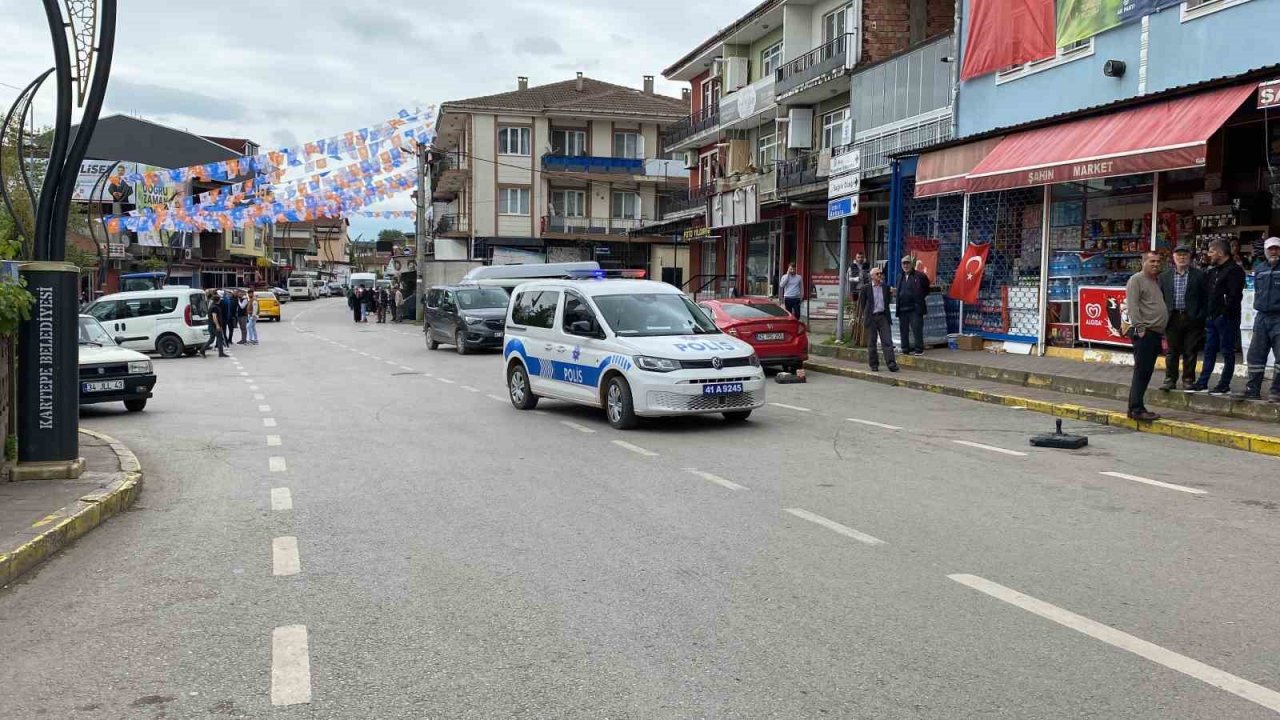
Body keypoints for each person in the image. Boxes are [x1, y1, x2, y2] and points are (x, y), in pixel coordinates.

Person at [1190, 238, 1246, 394]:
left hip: (1227, 318)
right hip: (1211, 317)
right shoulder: (1212, 271)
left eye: (1211, 251)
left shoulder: (1234, 270)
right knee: (1209, 350)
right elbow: (1207, 293)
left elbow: (1234, 296)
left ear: (1220, 253)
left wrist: (1224, 313)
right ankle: (1202, 382)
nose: (1209, 255)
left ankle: (1224, 384)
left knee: (1227, 351)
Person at [1125, 252, 1168, 422]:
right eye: (1152, 261)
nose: (1156, 264)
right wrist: (1140, 327)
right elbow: (1132, 306)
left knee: (1146, 371)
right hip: (1145, 333)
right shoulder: (1136, 280)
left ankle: (1134, 407)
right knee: (1142, 372)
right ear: (1143, 262)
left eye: (1158, 261)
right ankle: (1136, 409)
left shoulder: (1156, 281)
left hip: (1155, 333)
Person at [1157, 245, 1208, 391]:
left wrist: (1200, 316)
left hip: (1192, 318)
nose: (1182, 257)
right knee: (1172, 351)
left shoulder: (1199, 275)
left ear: (1190, 257)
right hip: (1172, 317)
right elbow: (1160, 297)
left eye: (1185, 255)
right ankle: (1170, 379)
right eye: (1179, 255)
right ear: (1173, 257)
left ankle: (1188, 379)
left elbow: (1205, 298)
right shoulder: (1164, 276)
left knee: (1190, 351)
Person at [1239, 237, 1280, 401]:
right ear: (1265, 251)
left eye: (1277, 248)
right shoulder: (1259, 269)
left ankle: (1276, 391)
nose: (1274, 251)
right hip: (1262, 317)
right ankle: (1252, 389)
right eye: (1271, 249)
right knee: (1255, 356)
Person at [858, 266, 898, 373]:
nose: (880, 275)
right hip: (871, 317)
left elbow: (887, 300)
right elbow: (863, 303)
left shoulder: (885, 287)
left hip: (883, 316)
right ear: (872, 276)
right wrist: (866, 315)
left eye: (880, 273)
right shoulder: (866, 288)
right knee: (872, 342)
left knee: (887, 341)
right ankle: (874, 364)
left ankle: (891, 364)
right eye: (877, 274)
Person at [896, 256, 930, 356]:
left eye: (907, 263)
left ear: (911, 264)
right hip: (902, 308)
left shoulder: (920, 276)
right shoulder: (899, 277)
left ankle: (919, 349)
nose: (906, 266)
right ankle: (905, 349)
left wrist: (919, 298)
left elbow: (926, 289)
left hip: (915, 308)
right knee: (903, 330)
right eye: (904, 264)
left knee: (917, 329)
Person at [206, 289, 228, 358]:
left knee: (211, 339)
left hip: (211, 325)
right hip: (214, 326)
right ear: (218, 300)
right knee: (220, 338)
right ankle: (221, 353)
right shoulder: (215, 307)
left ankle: (202, 350)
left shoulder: (212, 305)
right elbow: (214, 317)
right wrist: (217, 325)